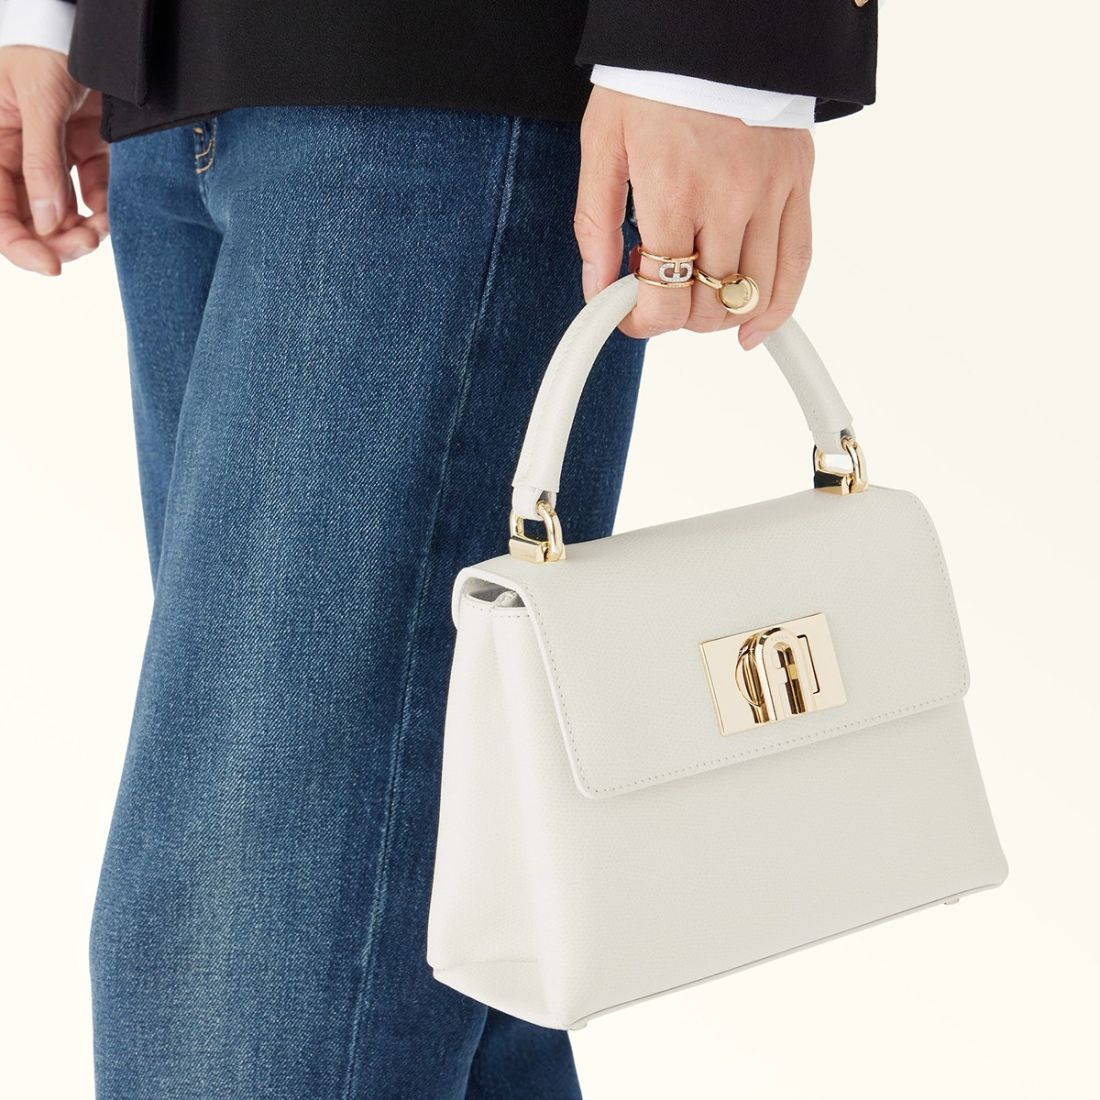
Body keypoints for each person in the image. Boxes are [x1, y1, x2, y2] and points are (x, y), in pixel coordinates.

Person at [0, 1, 878, 1096]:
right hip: (167, 87)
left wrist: (716, 51)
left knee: (245, 979)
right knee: (439, 970)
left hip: (436, 72)